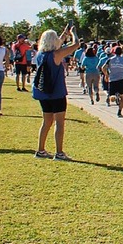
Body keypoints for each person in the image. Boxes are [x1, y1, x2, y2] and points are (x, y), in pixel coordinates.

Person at [33, 25, 78, 161]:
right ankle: (59, 152)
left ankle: (40, 149)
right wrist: (73, 33)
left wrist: (64, 33)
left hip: (43, 93)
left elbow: (58, 43)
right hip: (57, 93)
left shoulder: (40, 54)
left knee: (46, 121)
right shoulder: (56, 55)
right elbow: (76, 45)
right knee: (59, 122)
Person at [102, 46, 123, 117]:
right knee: (122, 96)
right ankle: (119, 112)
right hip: (121, 79)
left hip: (112, 79)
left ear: (114, 52)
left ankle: (114, 97)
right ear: (121, 52)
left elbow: (103, 67)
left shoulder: (110, 60)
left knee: (111, 96)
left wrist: (106, 74)